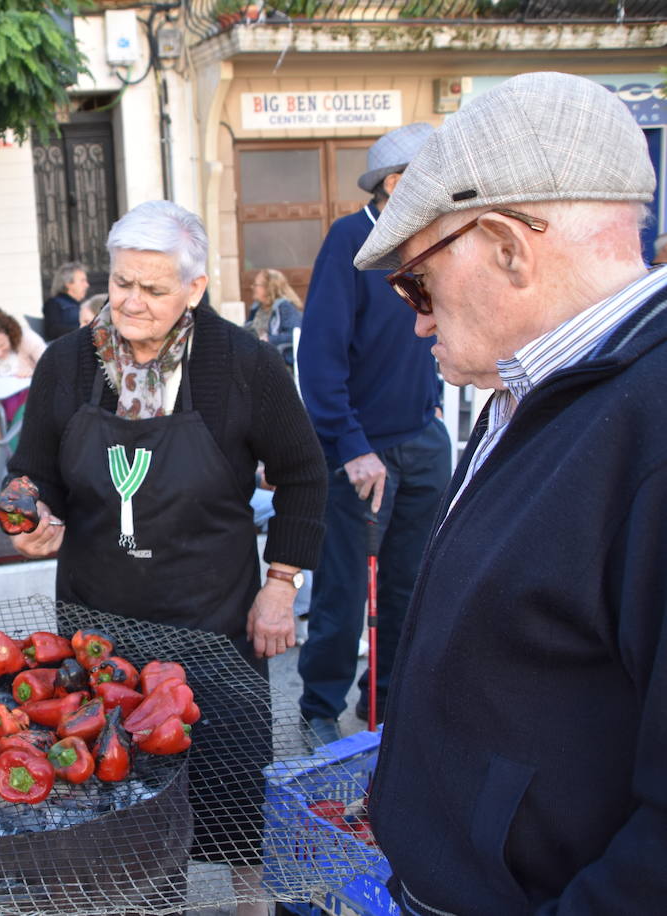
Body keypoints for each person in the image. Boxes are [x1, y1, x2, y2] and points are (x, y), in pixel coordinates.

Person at [352, 70, 665, 914]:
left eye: (417, 280)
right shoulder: (533, 391)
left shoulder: (650, 428)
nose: (417, 318)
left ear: (507, 245)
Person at [6, 200, 326, 915]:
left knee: (233, 789)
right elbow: (33, 472)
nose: (131, 302)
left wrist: (281, 584)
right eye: (122, 283)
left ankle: (251, 905)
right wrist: (31, 511)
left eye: (153, 289)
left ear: (195, 286)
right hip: (97, 621)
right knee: (113, 791)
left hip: (211, 620)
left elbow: (306, 475)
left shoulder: (244, 364)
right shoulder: (67, 362)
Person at [294, 122, 452, 745]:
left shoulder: (428, 243)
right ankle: (319, 710)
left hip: (422, 441)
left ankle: (385, 709)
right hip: (359, 451)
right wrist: (353, 446)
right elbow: (321, 361)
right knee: (344, 590)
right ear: (393, 183)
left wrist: (433, 402)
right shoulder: (349, 241)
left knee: (412, 586)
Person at [243, 269, 303, 367]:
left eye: (256, 285)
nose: (252, 287)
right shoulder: (257, 308)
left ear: (269, 287)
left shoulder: (284, 307)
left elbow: (294, 334)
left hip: (277, 362)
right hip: (256, 357)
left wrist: (269, 339)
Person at [41, 261, 88, 341]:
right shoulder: (54, 303)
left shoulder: (84, 305)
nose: (87, 285)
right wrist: (82, 328)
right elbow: (53, 330)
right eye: (82, 281)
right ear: (68, 283)